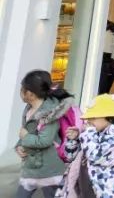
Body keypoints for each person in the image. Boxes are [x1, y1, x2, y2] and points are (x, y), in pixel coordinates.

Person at [14, 70, 77, 198]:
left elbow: (45, 140)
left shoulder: (50, 112)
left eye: (22, 89)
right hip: (31, 166)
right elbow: (28, 132)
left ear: (30, 94)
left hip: (49, 169)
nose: (20, 91)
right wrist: (19, 146)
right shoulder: (29, 109)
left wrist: (25, 137)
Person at [63, 94, 114, 198]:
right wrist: (75, 139)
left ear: (109, 117)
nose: (89, 121)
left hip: (107, 191)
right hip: (85, 188)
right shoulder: (93, 135)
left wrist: (88, 134)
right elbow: (70, 157)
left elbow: (96, 155)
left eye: (93, 118)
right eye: (88, 118)